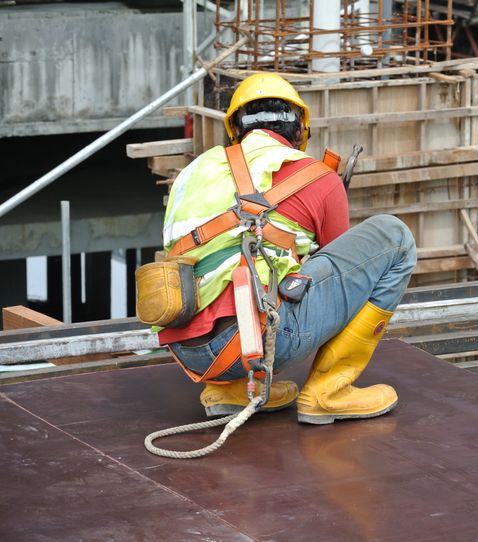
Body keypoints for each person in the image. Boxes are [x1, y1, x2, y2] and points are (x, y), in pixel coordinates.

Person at [157, 73, 416, 425]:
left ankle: (230, 391)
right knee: (394, 236)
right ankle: (328, 392)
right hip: (255, 343)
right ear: (299, 130)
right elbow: (341, 273)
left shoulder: (191, 174)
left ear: (235, 129)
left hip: (190, 351)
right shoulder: (316, 176)